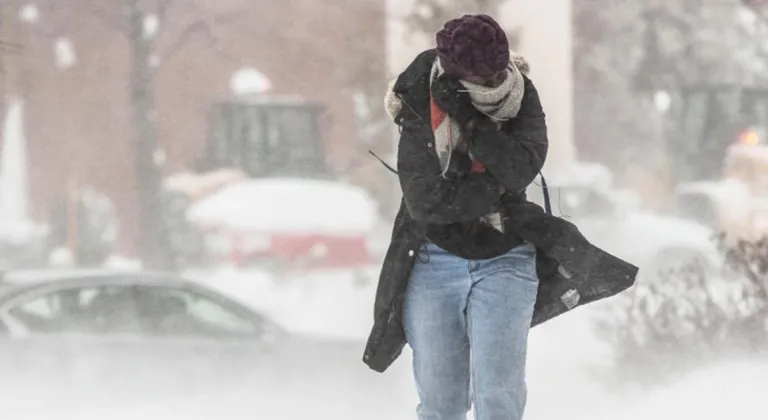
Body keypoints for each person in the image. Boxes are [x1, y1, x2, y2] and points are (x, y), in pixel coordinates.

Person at [362, 14, 639, 420]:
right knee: (442, 404)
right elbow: (427, 203)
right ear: (454, 73)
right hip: (431, 260)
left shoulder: (522, 95)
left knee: (498, 401)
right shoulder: (419, 99)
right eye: (480, 79)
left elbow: (520, 169)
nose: (492, 86)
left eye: (496, 75)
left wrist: (472, 124)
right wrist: (497, 190)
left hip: (507, 260)